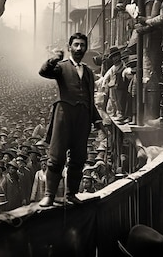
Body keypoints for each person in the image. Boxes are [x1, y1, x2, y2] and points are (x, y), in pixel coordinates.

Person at [38, 33, 105, 207]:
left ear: (86, 48)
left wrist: (97, 121)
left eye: (82, 45)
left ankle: (71, 194)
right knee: (56, 158)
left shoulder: (89, 73)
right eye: (75, 45)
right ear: (69, 48)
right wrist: (53, 59)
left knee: (78, 158)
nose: (79, 48)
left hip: (82, 121)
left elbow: (90, 101)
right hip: (64, 117)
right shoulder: (61, 67)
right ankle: (49, 195)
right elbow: (43, 72)